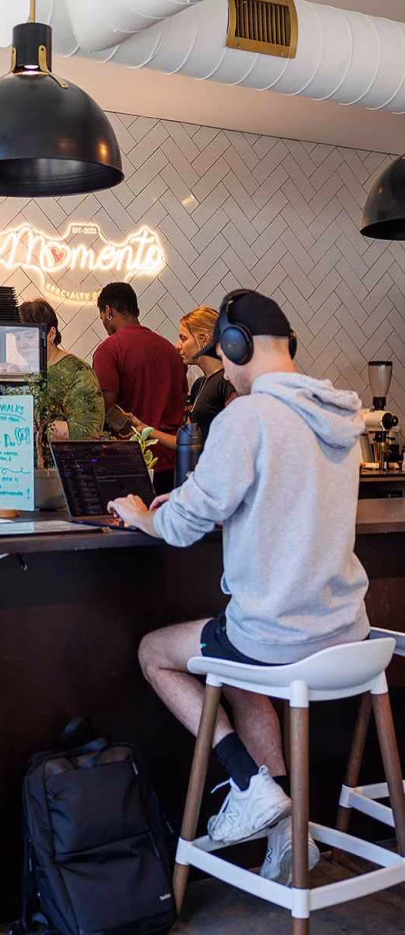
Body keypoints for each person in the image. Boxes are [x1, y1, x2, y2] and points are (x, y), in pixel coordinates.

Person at [108, 289, 369, 885]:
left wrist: (144, 513)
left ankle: (247, 782)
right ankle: (288, 835)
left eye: (223, 357)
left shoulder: (247, 416)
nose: (223, 370)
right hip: (343, 634)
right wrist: (206, 502)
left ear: (234, 345)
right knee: (240, 668)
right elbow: (281, 497)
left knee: (157, 653)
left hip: (277, 636)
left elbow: (178, 528)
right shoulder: (340, 415)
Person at [92, 282, 187, 493]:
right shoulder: (172, 353)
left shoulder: (108, 350)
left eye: (101, 317)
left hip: (129, 463)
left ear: (108, 311)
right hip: (172, 466)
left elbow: (104, 407)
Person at [128, 305, 235, 450]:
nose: (178, 346)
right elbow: (187, 441)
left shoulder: (229, 381)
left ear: (204, 340)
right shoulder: (199, 385)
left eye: (183, 338)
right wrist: (144, 428)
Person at [18, 298, 105, 441]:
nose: (22, 344)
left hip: (61, 461)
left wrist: (33, 426)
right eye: (17, 338)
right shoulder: (25, 373)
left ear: (51, 334)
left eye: (28, 336)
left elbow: (88, 431)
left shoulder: (78, 372)